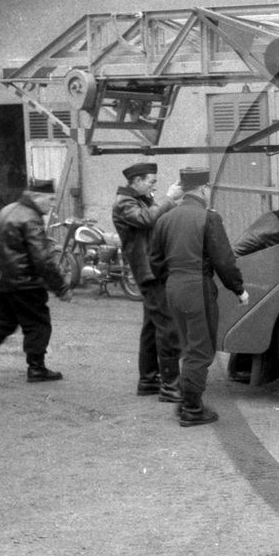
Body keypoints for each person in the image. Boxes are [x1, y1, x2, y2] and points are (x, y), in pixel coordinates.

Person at [149, 167, 249, 427]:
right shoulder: (208, 218)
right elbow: (224, 261)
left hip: (173, 288)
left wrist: (170, 281)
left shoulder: (165, 219)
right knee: (201, 352)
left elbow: (155, 261)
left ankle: (186, 402)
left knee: (188, 347)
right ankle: (192, 409)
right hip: (197, 288)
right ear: (204, 189)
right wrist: (239, 289)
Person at [0, 178, 73, 384]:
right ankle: (37, 368)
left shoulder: (8, 209)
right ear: (36, 197)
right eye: (50, 199)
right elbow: (42, 259)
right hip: (24, 282)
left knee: (2, 324)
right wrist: (61, 288)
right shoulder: (31, 218)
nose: (52, 204)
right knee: (38, 323)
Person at [111, 161, 184, 401]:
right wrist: (169, 198)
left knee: (152, 327)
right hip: (149, 271)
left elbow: (155, 217)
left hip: (152, 269)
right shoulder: (125, 203)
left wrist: (172, 201)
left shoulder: (139, 200)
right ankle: (170, 387)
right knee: (168, 328)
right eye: (151, 181)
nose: (154, 185)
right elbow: (147, 219)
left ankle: (149, 380)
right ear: (137, 181)